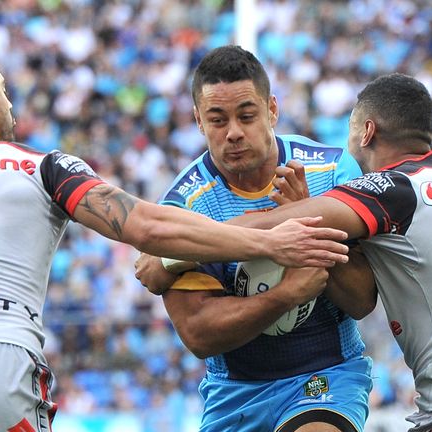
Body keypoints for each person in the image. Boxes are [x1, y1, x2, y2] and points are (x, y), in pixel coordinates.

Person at [0, 42, 353, 432]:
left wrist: (163, 262)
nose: (10, 103)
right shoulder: (38, 165)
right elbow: (147, 229)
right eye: (2, 90)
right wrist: (271, 242)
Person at [228, 73, 432, 431]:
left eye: (351, 132)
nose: (349, 146)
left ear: (367, 132)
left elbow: (272, 225)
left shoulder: (394, 189)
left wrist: (171, 247)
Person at [134, 45, 377, 432]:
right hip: (235, 393)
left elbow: (363, 300)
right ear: (198, 121)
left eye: (247, 116)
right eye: (217, 120)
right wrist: (285, 294)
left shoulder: (331, 171)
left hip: (326, 375)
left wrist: (310, 228)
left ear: (272, 111)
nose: (233, 133)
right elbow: (198, 334)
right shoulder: (183, 206)